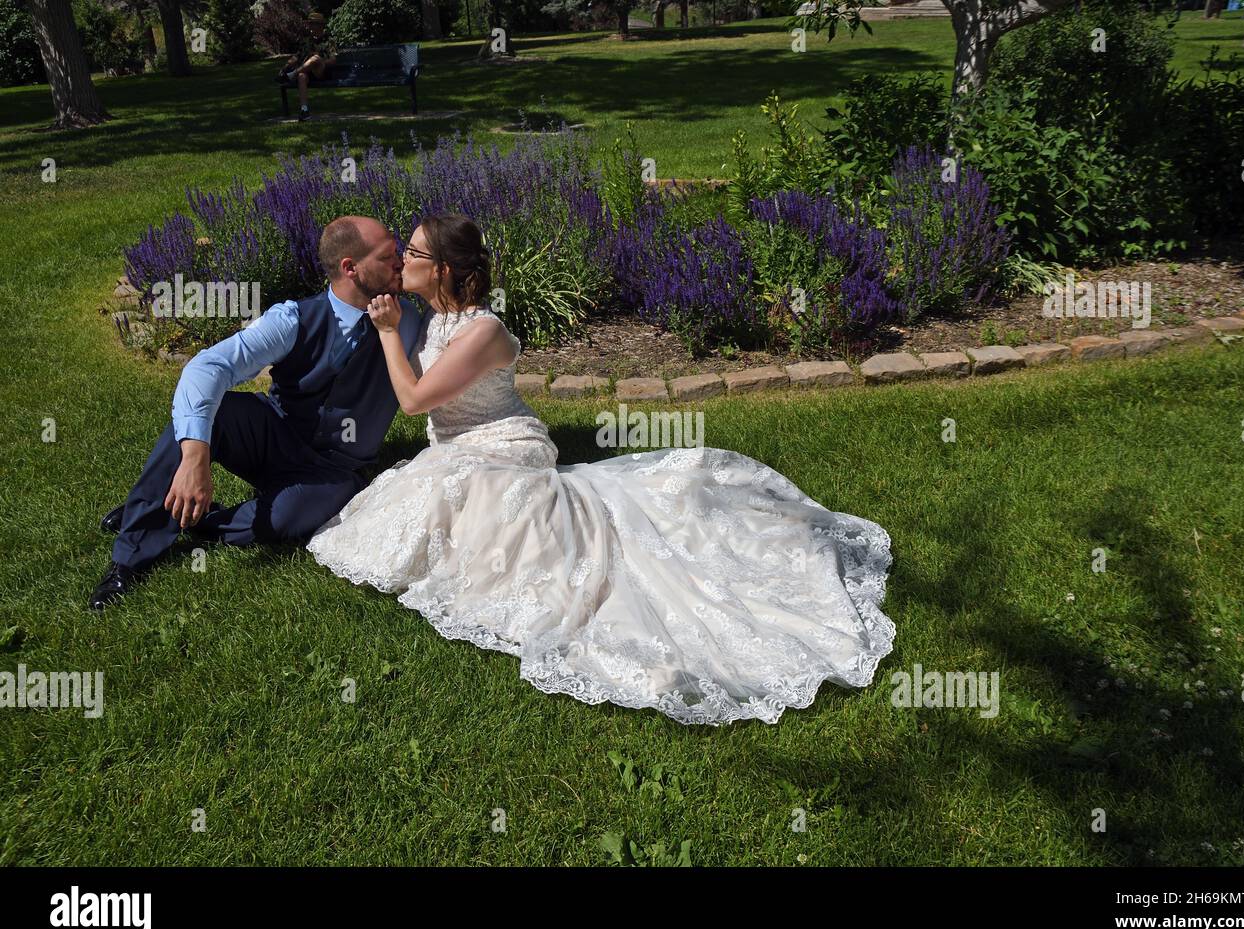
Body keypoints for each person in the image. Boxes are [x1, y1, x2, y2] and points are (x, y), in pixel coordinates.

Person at [306, 213, 897, 726]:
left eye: (413, 253)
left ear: (442, 270)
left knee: (490, 520)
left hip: (502, 445)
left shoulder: (484, 330)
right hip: (459, 445)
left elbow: (413, 402)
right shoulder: (437, 319)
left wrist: (386, 334)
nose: (403, 260)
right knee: (431, 494)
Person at [89, 216, 426, 612]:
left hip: (334, 468)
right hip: (273, 434)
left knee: (287, 519)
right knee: (212, 416)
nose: (401, 261)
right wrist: (196, 457)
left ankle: (184, 516)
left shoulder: (410, 323)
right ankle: (131, 554)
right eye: (388, 256)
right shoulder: (293, 319)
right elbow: (206, 368)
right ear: (351, 268)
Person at [279, 12, 337, 122]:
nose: (310, 26)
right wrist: (285, 67)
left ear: (320, 26)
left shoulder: (329, 40)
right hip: (308, 71)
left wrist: (321, 62)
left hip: (323, 71)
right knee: (301, 76)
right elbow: (297, 56)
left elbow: (333, 60)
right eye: (310, 24)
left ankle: (292, 74)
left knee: (316, 58)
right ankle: (304, 110)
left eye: (313, 24)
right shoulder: (306, 40)